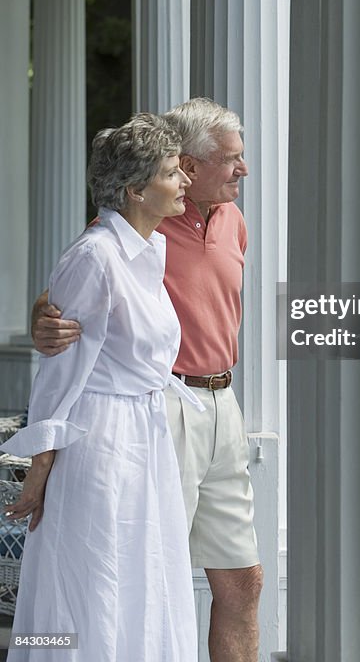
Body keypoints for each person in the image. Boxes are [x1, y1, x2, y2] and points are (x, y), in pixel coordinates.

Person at [32, 98, 263, 662]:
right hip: (153, 410)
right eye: (231, 158)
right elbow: (77, 281)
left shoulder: (228, 222)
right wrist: (42, 317)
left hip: (220, 402)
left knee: (244, 580)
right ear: (187, 163)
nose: (243, 169)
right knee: (138, 578)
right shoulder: (137, 227)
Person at [2, 113, 202, 662]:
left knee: (142, 575)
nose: (184, 178)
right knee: (91, 578)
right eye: (170, 171)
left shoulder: (147, 250)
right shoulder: (95, 255)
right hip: (100, 439)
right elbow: (59, 374)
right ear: (136, 190)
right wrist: (40, 470)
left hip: (144, 433)